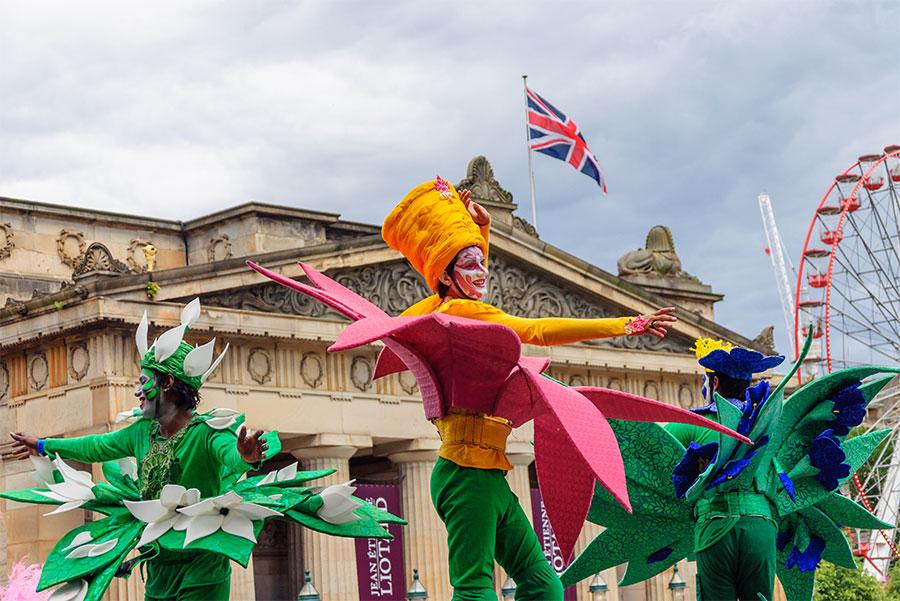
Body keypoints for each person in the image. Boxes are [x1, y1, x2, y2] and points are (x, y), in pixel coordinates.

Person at [379, 176, 679, 601]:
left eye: (481, 261)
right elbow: (536, 328)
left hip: (487, 472)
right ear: (445, 277)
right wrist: (626, 324)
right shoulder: (459, 313)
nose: (481, 271)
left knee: (543, 585)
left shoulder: (461, 308)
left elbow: (469, 282)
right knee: (474, 589)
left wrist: (480, 233)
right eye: (469, 264)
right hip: (467, 473)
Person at [3, 299, 400, 600]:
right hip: (160, 559)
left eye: (145, 381)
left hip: (203, 559)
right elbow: (96, 446)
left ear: (170, 386)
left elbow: (231, 456)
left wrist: (247, 456)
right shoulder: (141, 433)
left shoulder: (209, 432)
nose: (138, 390)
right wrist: (43, 443)